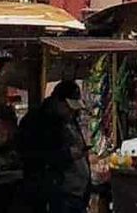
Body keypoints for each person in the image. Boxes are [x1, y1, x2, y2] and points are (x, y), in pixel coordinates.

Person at [17, 79, 91, 213]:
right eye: (68, 108)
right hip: (55, 196)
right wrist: (67, 154)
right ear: (57, 101)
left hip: (75, 195)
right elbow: (34, 156)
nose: (71, 112)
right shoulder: (36, 122)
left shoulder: (69, 120)